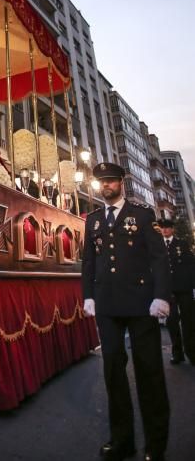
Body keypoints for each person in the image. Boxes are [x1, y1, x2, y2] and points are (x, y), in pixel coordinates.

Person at [82, 162, 171, 461]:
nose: (105, 186)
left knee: (149, 373)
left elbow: (159, 259)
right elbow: (88, 263)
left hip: (141, 303)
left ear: (121, 182)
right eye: (101, 182)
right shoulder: (93, 220)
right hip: (107, 305)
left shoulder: (143, 215)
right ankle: (122, 440)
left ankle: (156, 444)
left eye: (110, 181)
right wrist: (88, 296)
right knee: (113, 374)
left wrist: (161, 297)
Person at [157, 218, 195, 364]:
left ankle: (191, 351)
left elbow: (191, 265)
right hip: (168, 291)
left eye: (167, 227)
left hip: (184, 288)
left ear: (172, 229)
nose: (165, 230)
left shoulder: (181, 244)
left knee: (189, 322)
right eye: (162, 227)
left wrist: (193, 286)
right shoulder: (158, 246)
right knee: (172, 323)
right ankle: (177, 353)